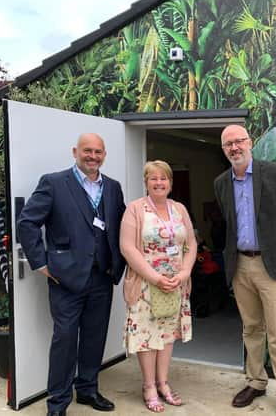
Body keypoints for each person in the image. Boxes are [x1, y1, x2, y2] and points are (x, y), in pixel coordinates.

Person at [17, 133, 126, 416]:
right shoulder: (53, 183)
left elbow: (122, 225)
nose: (93, 156)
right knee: (65, 339)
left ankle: (88, 389)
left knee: (94, 336)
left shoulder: (113, 188)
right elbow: (27, 223)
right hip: (65, 278)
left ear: (104, 155)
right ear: (75, 151)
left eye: (98, 152)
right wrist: (41, 263)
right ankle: (57, 403)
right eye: (87, 151)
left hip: (102, 275)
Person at [213, 125, 276, 416]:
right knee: (251, 329)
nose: (234, 148)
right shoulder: (221, 183)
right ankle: (255, 382)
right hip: (241, 265)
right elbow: (228, 222)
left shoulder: (274, 173)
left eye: (239, 141)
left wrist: (274, 244)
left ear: (250, 142)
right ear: (224, 149)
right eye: (228, 144)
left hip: (272, 265)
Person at [120, 160, 197, 413]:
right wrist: (154, 277)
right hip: (145, 285)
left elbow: (191, 244)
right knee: (147, 337)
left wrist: (184, 272)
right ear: (146, 182)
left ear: (171, 183)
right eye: (153, 178)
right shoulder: (135, 209)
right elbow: (128, 248)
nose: (159, 183)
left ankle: (163, 383)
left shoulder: (179, 209)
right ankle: (149, 386)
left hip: (175, 284)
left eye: (163, 178)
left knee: (167, 336)